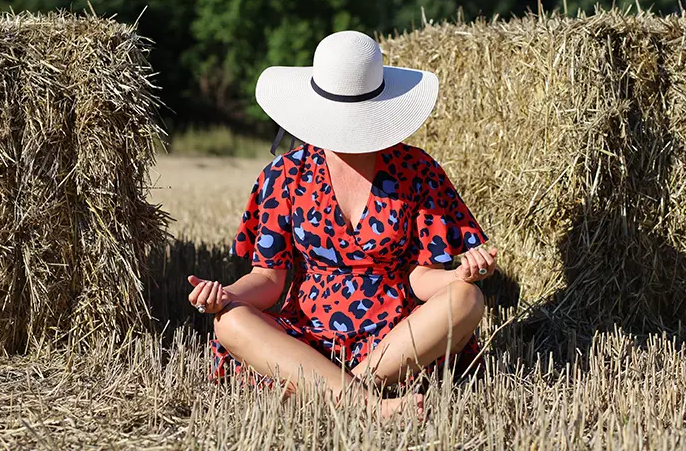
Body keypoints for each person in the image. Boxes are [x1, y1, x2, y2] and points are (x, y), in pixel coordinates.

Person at [187, 30, 497, 418]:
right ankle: (366, 404)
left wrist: (459, 277)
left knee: (468, 299)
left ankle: (335, 392)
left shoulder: (417, 170)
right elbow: (268, 279)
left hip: (395, 344)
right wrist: (226, 295)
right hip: (305, 339)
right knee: (230, 321)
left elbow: (421, 277)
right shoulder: (284, 175)